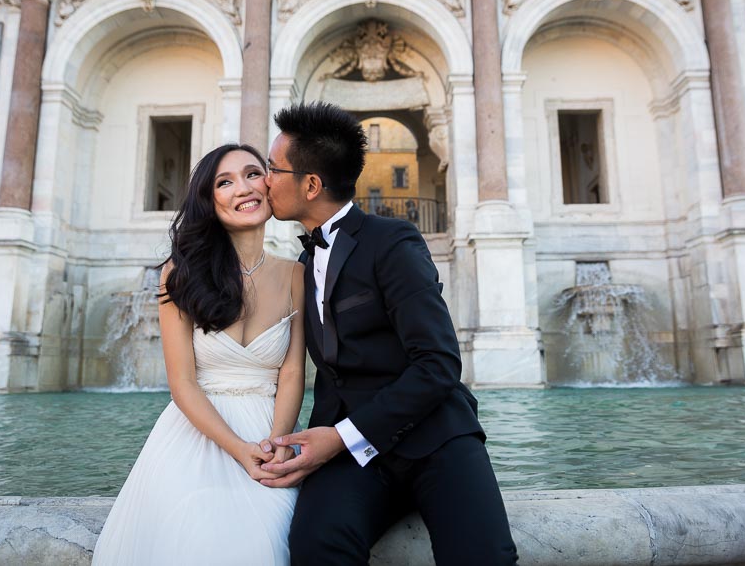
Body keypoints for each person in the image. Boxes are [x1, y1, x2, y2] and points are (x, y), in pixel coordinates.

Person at [260, 102, 518, 565]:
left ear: (311, 184)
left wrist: (338, 438)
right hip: (348, 456)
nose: (264, 180)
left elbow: (438, 365)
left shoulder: (392, 241)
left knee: (484, 557)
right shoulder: (302, 264)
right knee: (316, 548)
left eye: (272, 169)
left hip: (436, 438)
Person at [92, 144, 306, 566]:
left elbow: (294, 370)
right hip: (199, 433)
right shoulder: (180, 273)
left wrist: (276, 446)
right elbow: (183, 383)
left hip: (271, 431)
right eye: (224, 183)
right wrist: (240, 450)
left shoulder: (296, 273)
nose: (243, 188)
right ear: (209, 202)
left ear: (270, 182)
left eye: (252, 173)